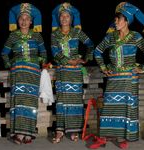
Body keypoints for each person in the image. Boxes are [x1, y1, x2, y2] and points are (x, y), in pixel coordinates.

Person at [91, 2, 144, 149]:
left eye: (118, 19)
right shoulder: (110, 37)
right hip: (114, 78)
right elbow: (97, 51)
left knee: (126, 109)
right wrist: (103, 67)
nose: (115, 22)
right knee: (109, 107)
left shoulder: (136, 36)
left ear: (126, 21)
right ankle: (103, 138)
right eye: (115, 19)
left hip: (129, 79)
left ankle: (122, 138)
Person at [1, 3, 47, 144]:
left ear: (32, 21)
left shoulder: (37, 36)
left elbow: (44, 53)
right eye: (21, 18)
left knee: (30, 102)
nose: (24, 21)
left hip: (33, 73)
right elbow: (4, 54)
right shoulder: (13, 36)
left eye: (27, 18)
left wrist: (38, 60)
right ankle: (18, 134)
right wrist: (11, 65)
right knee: (19, 102)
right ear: (17, 21)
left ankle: (29, 133)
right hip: (18, 73)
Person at [51, 2, 94, 143]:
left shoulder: (77, 32)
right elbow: (55, 52)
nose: (64, 18)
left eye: (67, 16)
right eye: (62, 16)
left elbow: (90, 44)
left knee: (75, 101)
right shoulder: (55, 34)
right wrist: (69, 61)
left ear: (71, 18)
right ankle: (59, 131)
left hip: (75, 72)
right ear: (59, 18)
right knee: (61, 101)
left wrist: (85, 59)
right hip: (62, 71)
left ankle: (74, 131)